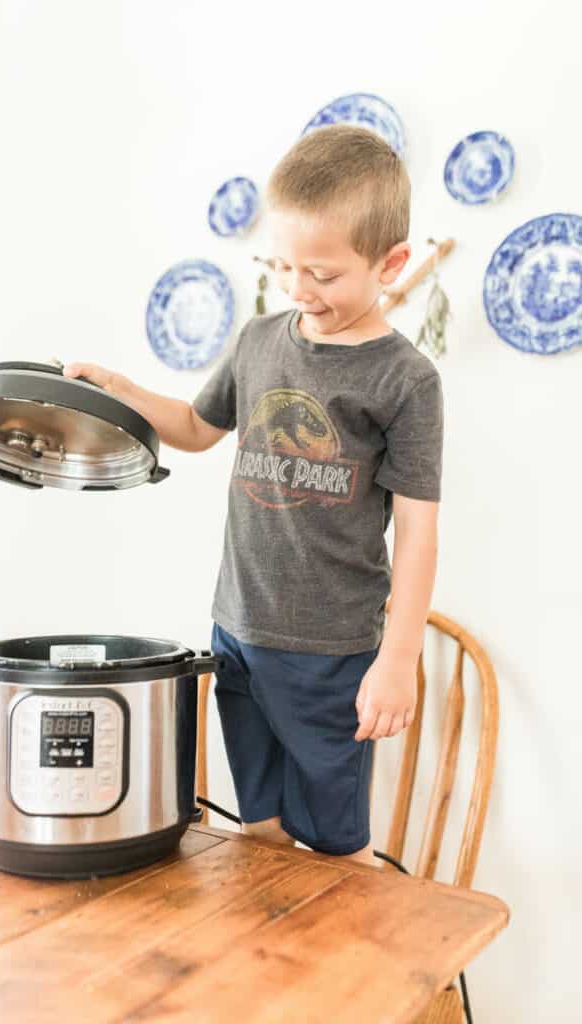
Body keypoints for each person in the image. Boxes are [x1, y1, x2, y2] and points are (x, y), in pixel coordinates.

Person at [64, 124, 443, 867]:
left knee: (337, 846)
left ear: (390, 264)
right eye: (282, 266)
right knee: (260, 830)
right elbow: (198, 430)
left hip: (330, 653)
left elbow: (418, 533)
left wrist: (398, 658)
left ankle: (339, 973)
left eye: (324, 275)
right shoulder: (259, 340)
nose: (300, 289)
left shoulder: (405, 381)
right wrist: (122, 390)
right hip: (237, 632)